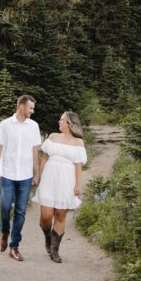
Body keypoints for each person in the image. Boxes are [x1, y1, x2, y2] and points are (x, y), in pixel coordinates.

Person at [0, 95, 40, 262]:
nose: (32, 111)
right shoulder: (5, 125)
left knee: (20, 211)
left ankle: (14, 246)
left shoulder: (33, 126)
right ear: (22, 107)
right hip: (7, 174)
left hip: (25, 175)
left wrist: (37, 173)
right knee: (5, 208)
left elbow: (35, 152)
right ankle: (4, 232)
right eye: (30, 108)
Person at [34, 110, 87, 263]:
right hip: (49, 179)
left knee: (60, 214)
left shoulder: (78, 142)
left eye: (62, 120)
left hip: (67, 180)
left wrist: (78, 185)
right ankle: (47, 236)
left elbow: (78, 165)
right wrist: (38, 176)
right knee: (45, 216)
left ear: (70, 124)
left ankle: (54, 250)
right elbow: (44, 158)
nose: (59, 121)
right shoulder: (52, 137)